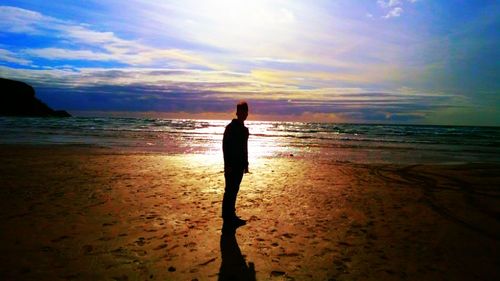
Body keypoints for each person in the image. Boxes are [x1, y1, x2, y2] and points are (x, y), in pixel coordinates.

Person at [222, 101, 249, 227]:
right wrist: (227, 165)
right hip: (231, 164)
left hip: (239, 164)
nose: (244, 114)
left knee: (234, 189)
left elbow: (245, 148)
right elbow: (225, 147)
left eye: (246, 111)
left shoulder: (244, 129)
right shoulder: (231, 127)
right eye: (242, 111)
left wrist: (246, 163)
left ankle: (230, 215)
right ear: (237, 113)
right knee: (230, 190)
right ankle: (228, 216)